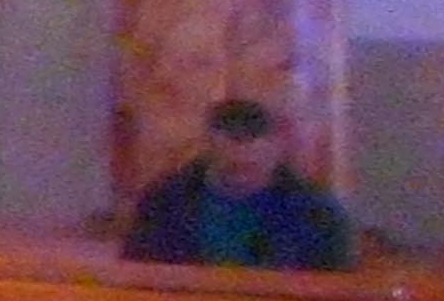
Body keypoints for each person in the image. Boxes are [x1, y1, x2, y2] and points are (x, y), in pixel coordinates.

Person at [124, 96, 357, 271]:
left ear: (277, 150)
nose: (242, 176)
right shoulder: (164, 203)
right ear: (208, 148)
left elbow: (336, 289)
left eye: (252, 167)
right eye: (231, 167)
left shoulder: (317, 213)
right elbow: (140, 274)